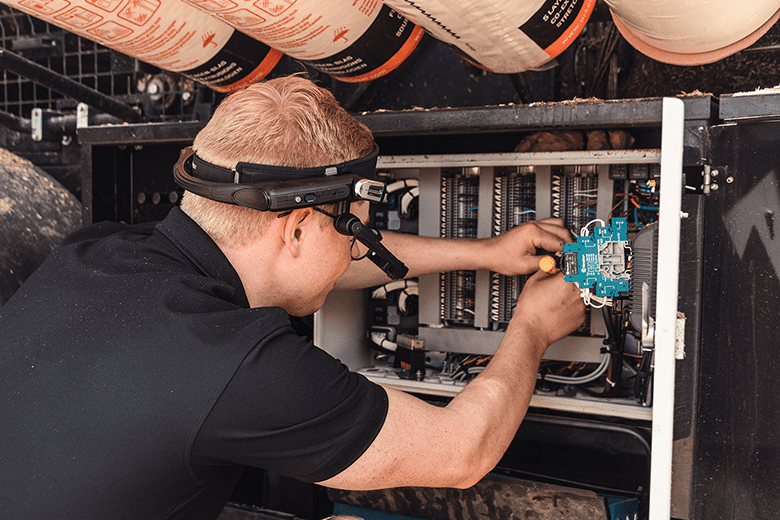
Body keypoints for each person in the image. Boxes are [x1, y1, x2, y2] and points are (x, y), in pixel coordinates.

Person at [0, 76, 585, 520]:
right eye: (355, 231)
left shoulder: (97, 253)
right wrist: (532, 329)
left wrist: (484, 253)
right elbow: (462, 453)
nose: (358, 248)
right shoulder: (242, 368)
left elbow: (302, 269)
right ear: (298, 230)